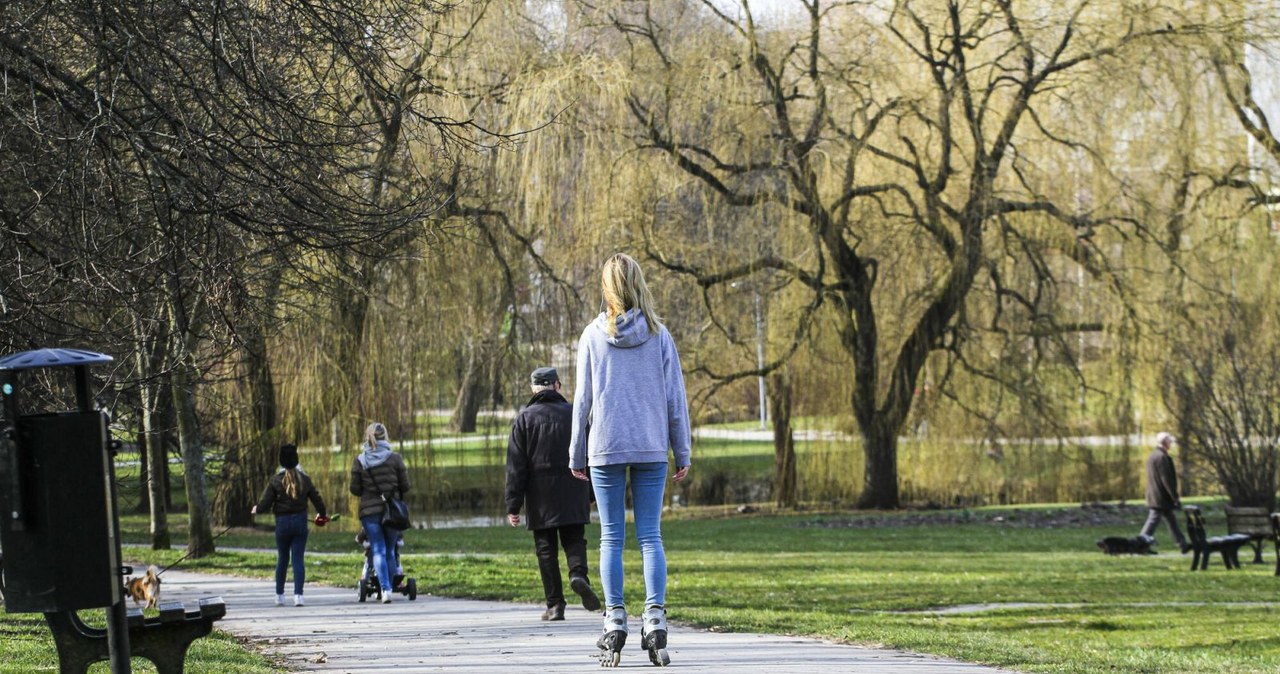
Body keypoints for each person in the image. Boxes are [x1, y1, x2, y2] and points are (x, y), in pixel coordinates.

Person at [569, 253, 691, 667]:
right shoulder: (660, 336)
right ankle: (654, 618)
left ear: (606, 288)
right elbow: (676, 398)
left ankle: (615, 620)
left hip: (605, 446)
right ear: (639, 284)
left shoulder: (591, 336)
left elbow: (582, 400)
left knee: (611, 539)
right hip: (651, 445)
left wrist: (576, 452)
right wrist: (683, 449)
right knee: (650, 537)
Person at [506, 366, 602, 621]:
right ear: (557, 386)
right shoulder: (576, 415)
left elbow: (517, 466)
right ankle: (578, 574)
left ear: (534, 389)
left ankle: (555, 605)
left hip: (540, 497)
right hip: (574, 487)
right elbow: (592, 456)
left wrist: (513, 506)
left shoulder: (524, 419)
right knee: (574, 539)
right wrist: (592, 493)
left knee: (545, 548)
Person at [252, 443, 328, 607]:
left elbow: (265, 503)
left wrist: (256, 509)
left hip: (282, 524)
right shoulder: (305, 480)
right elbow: (318, 501)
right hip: (300, 522)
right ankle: (298, 596)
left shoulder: (275, 481)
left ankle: (279, 595)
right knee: (298, 559)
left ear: (281, 461)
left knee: (283, 558)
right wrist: (322, 515)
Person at [350, 422, 411, 603]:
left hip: (369, 512)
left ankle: (385, 590)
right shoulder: (395, 458)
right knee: (390, 550)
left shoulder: (360, 461)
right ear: (385, 436)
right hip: (391, 511)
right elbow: (406, 486)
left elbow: (355, 489)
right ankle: (390, 586)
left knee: (377, 549)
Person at [1139, 431, 1190, 553]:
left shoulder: (1153, 456)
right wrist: (1174, 496)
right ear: (1165, 443)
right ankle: (1140, 544)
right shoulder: (1162, 458)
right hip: (1161, 497)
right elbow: (1166, 479)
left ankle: (1182, 544)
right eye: (1170, 442)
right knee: (1152, 522)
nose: (1171, 444)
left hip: (1156, 495)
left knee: (1171, 521)